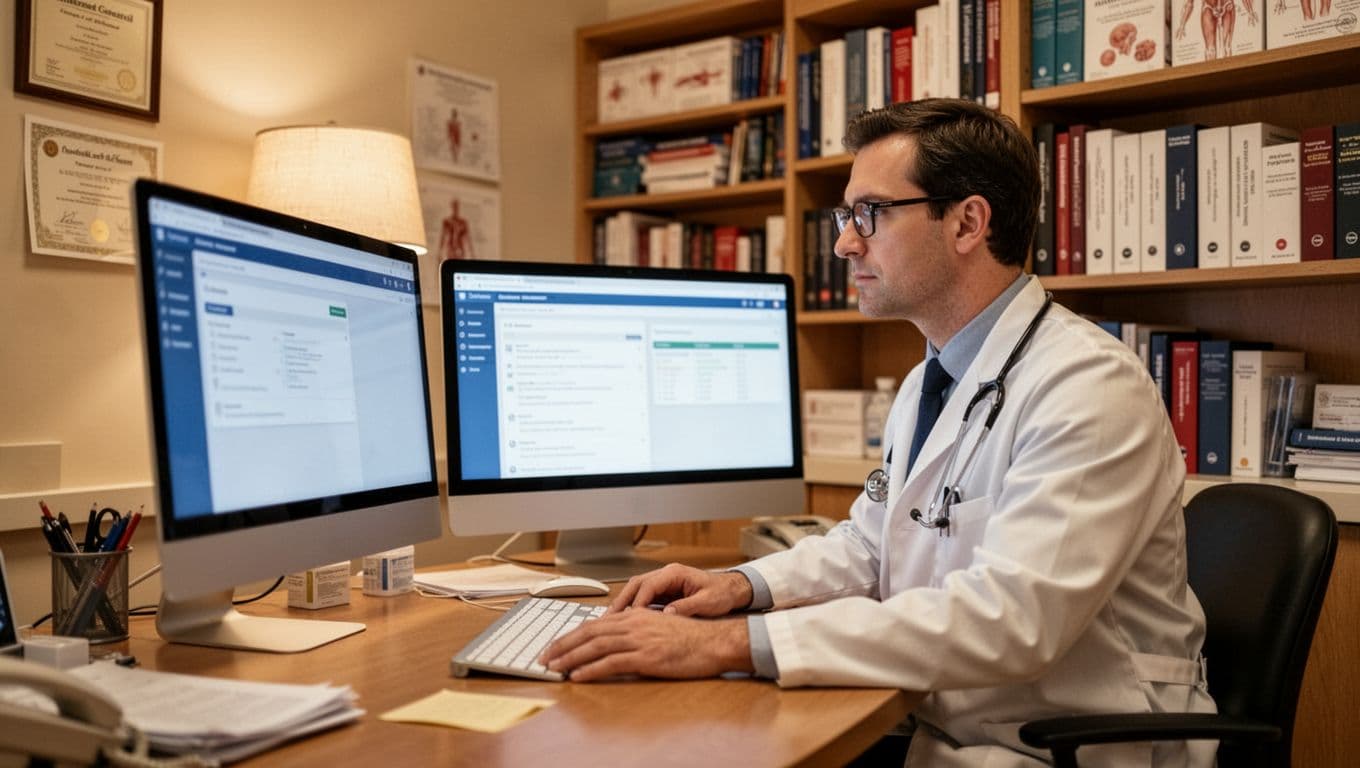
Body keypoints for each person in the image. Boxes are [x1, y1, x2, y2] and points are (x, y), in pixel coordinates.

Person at [542, 99, 1216, 766]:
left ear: (967, 223)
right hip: (953, 729)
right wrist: (743, 586)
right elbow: (872, 544)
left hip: (1071, 746)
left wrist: (731, 643)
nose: (844, 241)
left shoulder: (1088, 386)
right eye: (846, 215)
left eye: (870, 213)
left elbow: (1014, 620)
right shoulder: (935, 377)